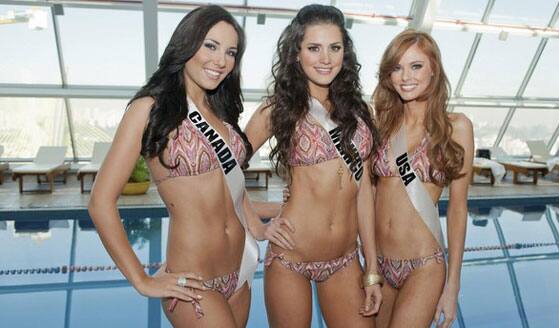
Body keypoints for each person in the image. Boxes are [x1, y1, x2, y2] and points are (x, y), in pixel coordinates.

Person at [89, 6, 290, 327]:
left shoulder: (221, 112)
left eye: (231, 52)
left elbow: (231, 188)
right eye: (210, 46)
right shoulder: (148, 109)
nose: (221, 60)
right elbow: (100, 202)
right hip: (193, 283)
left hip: (240, 273)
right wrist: (141, 280)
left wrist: (258, 227)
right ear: (186, 44)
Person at [244, 4, 382, 327]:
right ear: (296, 52)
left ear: (344, 52)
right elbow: (227, 168)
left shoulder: (359, 112)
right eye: (314, 48)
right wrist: (256, 224)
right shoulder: (277, 110)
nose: (326, 59)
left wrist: (372, 267)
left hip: (346, 260)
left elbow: (363, 193)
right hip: (291, 258)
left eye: (335, 48)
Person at [371, 29, 474, 328]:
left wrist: (452, 285)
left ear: (434, 70)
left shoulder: (457, 127)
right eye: (397, 68)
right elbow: (370, 193)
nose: (405, 76)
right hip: (379, 264)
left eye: (416, 66)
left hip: (423, 267)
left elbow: (458, 210)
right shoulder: (383, 125)